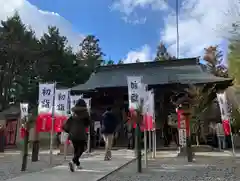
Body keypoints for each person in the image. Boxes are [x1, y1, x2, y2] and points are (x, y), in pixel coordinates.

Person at [62, 99, 90, 172]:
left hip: (72, 134)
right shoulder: (85, 114)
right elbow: (88, 124)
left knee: (76, 149)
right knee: (82, 149)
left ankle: (77, 165)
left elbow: (68, 124)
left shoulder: (73, 113)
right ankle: (73, 161)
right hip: (81, 134)